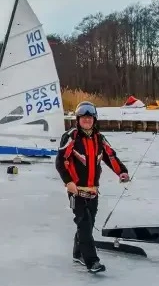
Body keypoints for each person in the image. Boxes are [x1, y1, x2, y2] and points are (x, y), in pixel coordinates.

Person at [55, 101, 129, 273]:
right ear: (78, 120)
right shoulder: (71, 136)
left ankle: (78, 253)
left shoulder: (99, 139)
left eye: (90, 118)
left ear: (94, 120)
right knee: (84, 224)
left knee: (87, 224)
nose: (87, 121)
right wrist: (68, 182)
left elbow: (110, 157)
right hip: (76, 191)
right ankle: (92, 261)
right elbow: (61, 161)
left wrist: (122, 172)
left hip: (93, 191)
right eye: (84, 118)